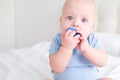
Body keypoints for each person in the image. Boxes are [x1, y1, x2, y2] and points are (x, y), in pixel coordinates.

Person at [49, 0, 112, 80]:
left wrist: (86, 48)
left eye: (84, 20)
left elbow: (102, 62)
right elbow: (56, 68)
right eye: (70, 17)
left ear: (92, 27)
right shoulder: (58, 40)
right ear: (61, 21)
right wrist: (66, 48)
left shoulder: (92, 39)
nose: (76, 24)